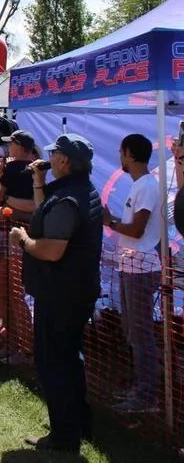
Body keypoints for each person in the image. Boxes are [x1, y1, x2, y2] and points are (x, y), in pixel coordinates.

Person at [10, 133, 102, 454]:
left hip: (61, 294)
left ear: (63, 161)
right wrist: (39, 181)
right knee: (69, 360)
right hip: (74, 291)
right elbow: (47, 216)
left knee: (54, 363)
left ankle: (64, 436)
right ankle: (77, 425)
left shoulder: (68, 199)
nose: (48, 159)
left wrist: (23, 240)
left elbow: (51, 250)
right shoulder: (80, 191)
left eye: (53, 155)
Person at [104, 133, 162, 414]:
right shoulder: (141, 185)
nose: (120, 157)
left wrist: (110, 222)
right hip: (132, 265)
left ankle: (147, 396)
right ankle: (140, 388)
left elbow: (137, 230)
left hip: (142, 268)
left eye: (121, 152)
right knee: (132, 331)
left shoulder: (148, 186)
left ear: (128, 153)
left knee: (140, 334)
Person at [0, 130, 37, 362]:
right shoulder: (34, 171)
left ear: (20, 147)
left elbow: (0, 197)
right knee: (8, 292)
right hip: (22, 236)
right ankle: (17, 343)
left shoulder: (13, 168)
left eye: (10, 144)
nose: (8, 149)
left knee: (7, 292)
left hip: (8, 235)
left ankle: (20, 345)